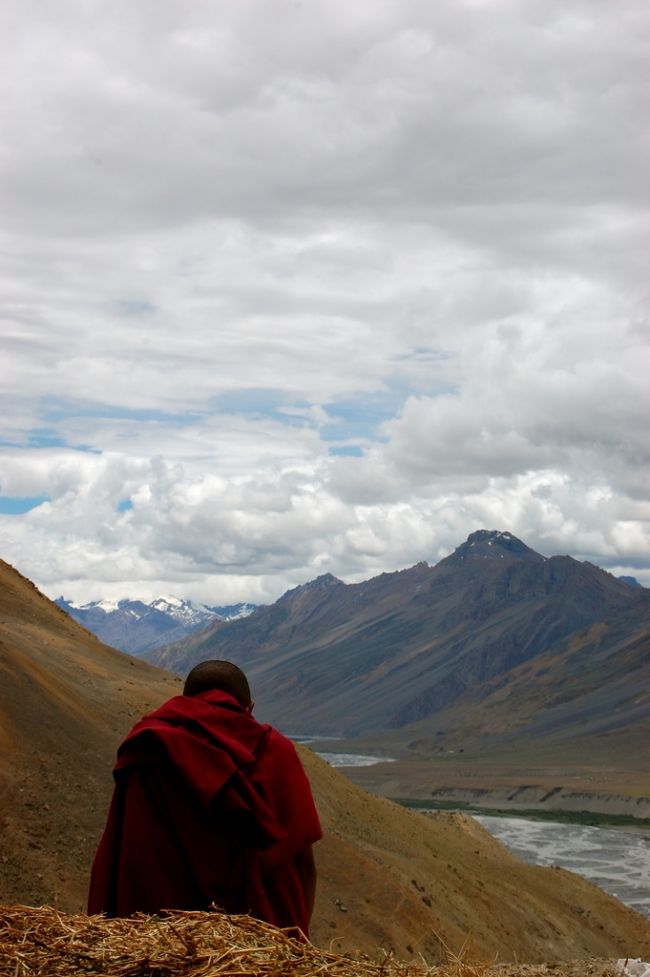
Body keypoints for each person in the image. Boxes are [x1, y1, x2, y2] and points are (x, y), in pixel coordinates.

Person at [88, 660, 322, 936]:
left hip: (161, 934)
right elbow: (302, 859)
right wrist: (299, 941)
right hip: (257, 936)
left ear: (187, 704)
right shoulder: (275, 751)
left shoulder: (152, 746)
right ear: (250, 708)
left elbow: (124, 845)